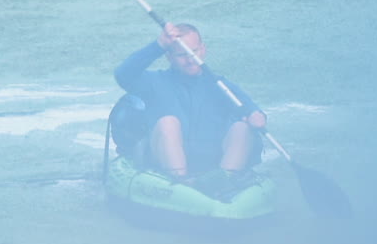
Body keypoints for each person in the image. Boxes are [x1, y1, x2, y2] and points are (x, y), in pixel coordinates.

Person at [114, 23, 267, 189]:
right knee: (168, 122)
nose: (190, 60)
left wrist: (257, 116)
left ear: (203, 50)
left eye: (194, 52)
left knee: (243, 128)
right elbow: (123, 74)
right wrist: (159, 45)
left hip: (213, 165)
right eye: (182, 55)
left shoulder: (221, 85)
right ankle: (182, 181)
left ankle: (225, 180)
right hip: (167, 164)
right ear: (169, 57)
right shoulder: (153, 82)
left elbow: (251, 109)